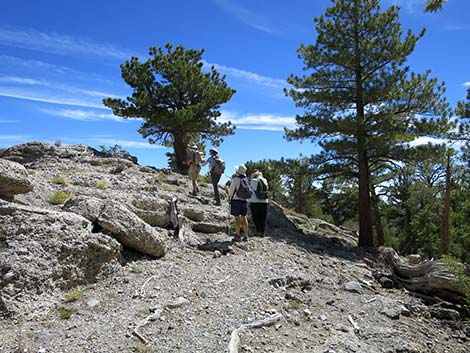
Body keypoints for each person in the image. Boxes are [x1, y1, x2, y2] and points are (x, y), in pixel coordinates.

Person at [227, 164, 252, 241]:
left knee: (237, 218)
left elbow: (231, 191)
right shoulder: (247, 179)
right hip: (244, 201)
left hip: (236, 200)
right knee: (244, 218)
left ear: (238, 171)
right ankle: (246, 235)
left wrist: (228, 194)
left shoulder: (236, 179)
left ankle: (237, 235)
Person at [249, 170, 269, 236]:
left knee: (256, 217)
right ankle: (263, 232)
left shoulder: (253, 180)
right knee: (263, 217)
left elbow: (251, 189)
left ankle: (258, 231)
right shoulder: (265, 180)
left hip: (255, 201)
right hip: (264, 201)